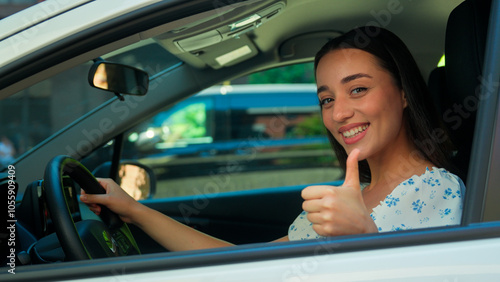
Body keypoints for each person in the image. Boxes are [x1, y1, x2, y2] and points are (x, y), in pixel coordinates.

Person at [80, 26, 465, 250]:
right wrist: (133, 209)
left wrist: (362, 239)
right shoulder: (355, 192)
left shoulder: (438, 190)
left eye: (358, 89)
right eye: (326, 98)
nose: (339, 113)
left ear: (403, 93)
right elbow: (246, 263)